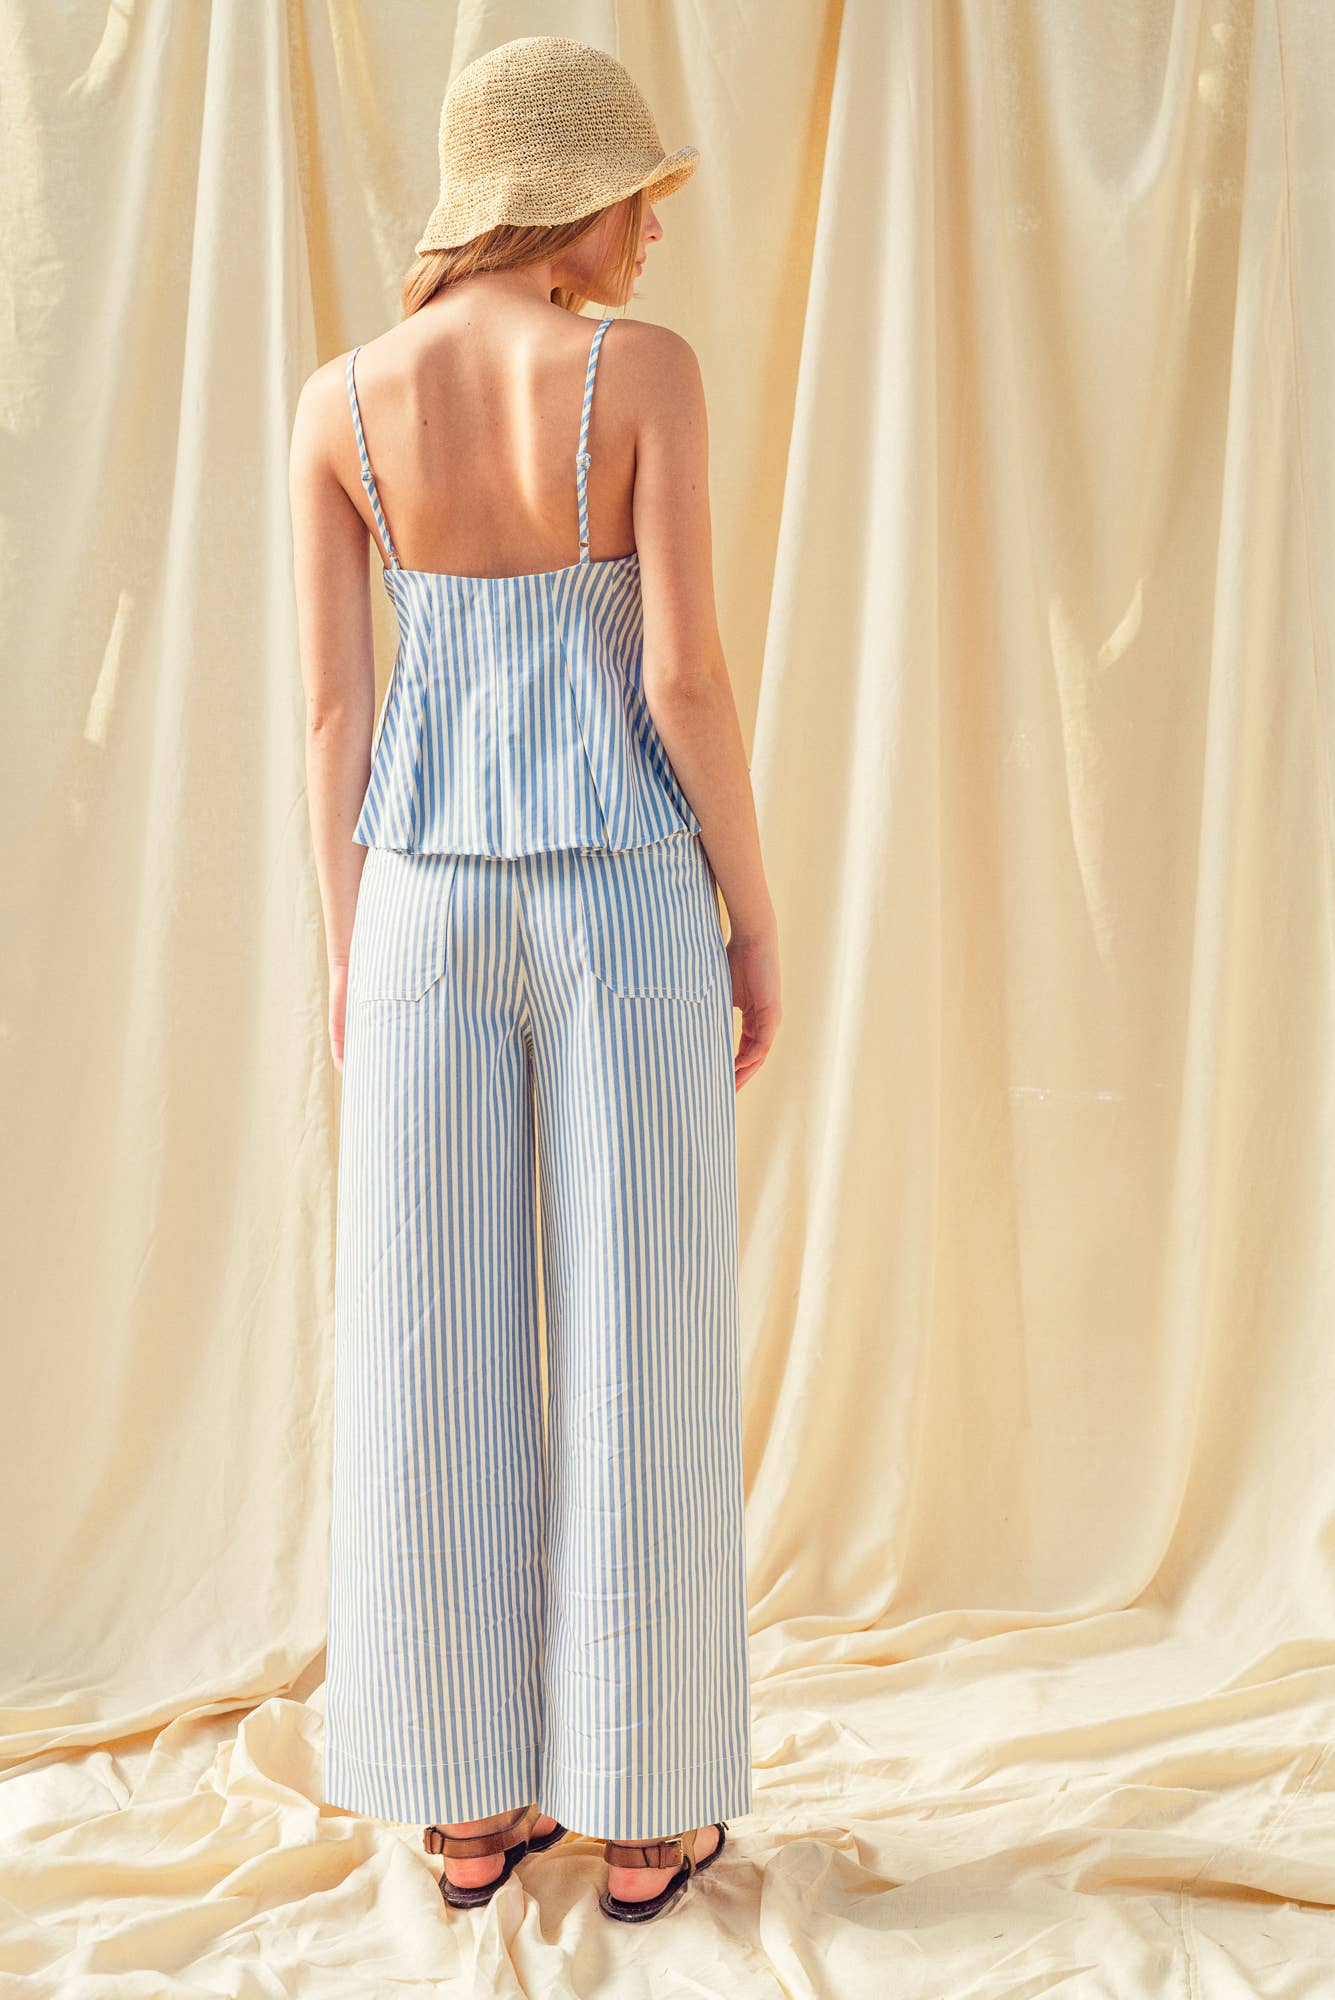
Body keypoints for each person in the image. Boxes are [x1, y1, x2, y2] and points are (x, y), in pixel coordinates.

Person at [288, 35, 780, 1925]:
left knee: (431, 1343)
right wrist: (754, 917)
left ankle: (470, 1807)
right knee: (646, 1334)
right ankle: (649, 1819)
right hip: (624, 900)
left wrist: (351, 949)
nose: (652, 231)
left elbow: (336, 715)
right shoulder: (638, 373)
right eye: (637, 195)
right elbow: (684, 679)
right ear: (564, 195)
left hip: (420, 905)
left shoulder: (337, 403)